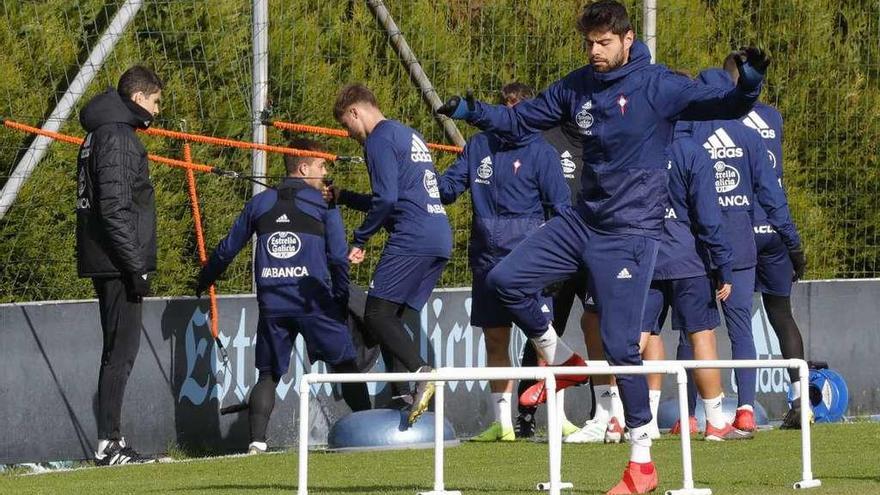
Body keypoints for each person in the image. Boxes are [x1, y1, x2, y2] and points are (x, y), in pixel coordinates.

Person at [437, 1, 769, 492]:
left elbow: (731, 106)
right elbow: (520, 122)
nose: (594, 50)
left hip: (630, 233)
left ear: (628, 39)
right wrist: (473, 111)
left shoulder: (658, 85)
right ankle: (564, 360)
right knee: (505, 279)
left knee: (619, 347)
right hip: (582, 219)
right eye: (589, 42)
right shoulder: (577, 84)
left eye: (604, 42)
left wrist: (750, 83)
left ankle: (642, 464)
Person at [196, 138, 370, 455]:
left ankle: (256, 444)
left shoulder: (260, 203)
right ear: (303, 167)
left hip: (273, 302)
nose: (326, 172)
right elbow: (337, 258)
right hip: (315, 302)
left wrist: (203, 279)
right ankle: (369, 433)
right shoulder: (324, 204)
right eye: (321, 166)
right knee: (346, 364)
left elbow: (226, 250)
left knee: (268, 374)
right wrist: (341, 297)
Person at [673, 68, 805, 435]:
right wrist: (791, 241)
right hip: (739, 242)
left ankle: (688, 415)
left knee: (692, 332)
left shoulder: (685, 135)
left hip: (696, 245)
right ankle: (745, 409)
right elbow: (770, 194)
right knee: (740, 329)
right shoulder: (749, 137)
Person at [437, 82, 570, 441]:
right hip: (486, 261)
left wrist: (558, 264)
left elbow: (561, 212)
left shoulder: (542, 153)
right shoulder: (478, 145)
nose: (508, 111)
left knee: (544, 341)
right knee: (495, 341)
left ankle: (558, 418)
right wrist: (417, 181)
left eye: (516, 106)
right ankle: (503, 423)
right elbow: (448, 188)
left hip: (529, 264)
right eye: (505, 104)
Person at [328, 83, 453, 425]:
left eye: (345, 125)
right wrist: (346, 197)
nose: (348, 134)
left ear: (355, 112)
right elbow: (396, 197)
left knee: (376, 315)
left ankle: (422, 372)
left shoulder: (379, 139)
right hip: (438, 234)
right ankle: (404, 399)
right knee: (389, 320)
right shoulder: (406, 134)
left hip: (413, 235)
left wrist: (360, 239)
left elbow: (385, 200)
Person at [76, 65, 163, 466]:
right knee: (121, 352)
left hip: (108, 259)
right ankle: (108, 445)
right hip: (116, 262)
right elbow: (114, 209)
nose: (157, 112)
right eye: (156, 102)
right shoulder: (117, 136)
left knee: (117, 350)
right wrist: (136, 266)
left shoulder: (101, 132)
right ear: (140, 97)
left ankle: (110, 441)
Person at [722, 53, 809, 429]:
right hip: (775, 227)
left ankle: (740, 407)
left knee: (736, 320)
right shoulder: (773, 117)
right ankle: (800, 400)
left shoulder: (723, 119)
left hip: (740, 227)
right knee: (781, 315)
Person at [516, 119, 592, 439]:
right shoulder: (545, 140)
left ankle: (603, 412)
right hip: (557, 254)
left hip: (593, 253)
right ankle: (526, 415)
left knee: (601, 331)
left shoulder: (606, 137)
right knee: (543, 332)